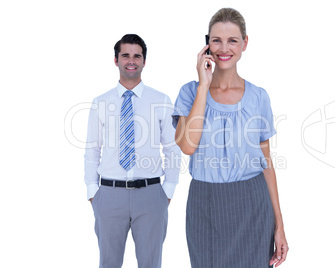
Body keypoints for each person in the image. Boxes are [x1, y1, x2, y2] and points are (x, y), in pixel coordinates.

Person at [172, 8, 288, 268]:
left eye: (232, 40)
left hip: (253, 203)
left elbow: (266, 163)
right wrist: (204, 84)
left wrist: (279, 225)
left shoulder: (259, 97)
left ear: (245, 43)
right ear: (207, 44)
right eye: (216, 40)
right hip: (206, 203)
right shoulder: (190, 92)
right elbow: (187, 146)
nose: (224, 48)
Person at [84, 34, 181, 268]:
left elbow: (172, 148)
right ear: (115, 60)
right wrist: (92, 191)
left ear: (144, 62)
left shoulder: (161, 100)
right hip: (109, 194)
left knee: (150, 263)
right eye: (125, 55)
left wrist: (167, 189)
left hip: (151, 194)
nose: (131, 60)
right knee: (109, 263)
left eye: (137, 56)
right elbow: (92, 149)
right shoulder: (101, 102)